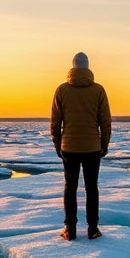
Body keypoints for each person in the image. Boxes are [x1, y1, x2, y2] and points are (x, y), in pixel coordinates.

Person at [50, 51, 112, 240]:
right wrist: (104, 144)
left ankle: (70, 229)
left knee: (70, 187)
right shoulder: (98, 90)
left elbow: (55, 121)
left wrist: (57, 143)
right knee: (91, 188)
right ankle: (93, 229)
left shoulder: (62, 90)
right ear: (87, 66)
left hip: (69, 147)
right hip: (92, 147)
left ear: (73, 66)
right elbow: (105, 121)